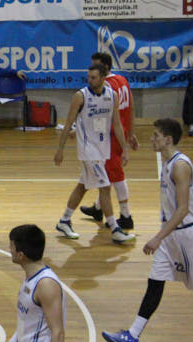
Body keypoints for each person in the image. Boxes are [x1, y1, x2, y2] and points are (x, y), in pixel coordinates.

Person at [102, 119, 193, 342]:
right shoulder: (167, 162)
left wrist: (158, 237)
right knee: (155, 282)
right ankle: (132, 335)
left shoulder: (180, 166)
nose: (151, 139)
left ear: (168, 140)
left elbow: (183, 209)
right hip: (171, 235)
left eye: (156, 135)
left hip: (186, 235)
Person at [54, 61, 134, 244]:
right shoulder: (80, 96)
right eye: (88, 77)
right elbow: (68, 124)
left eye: (94, 77)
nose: (90, 80)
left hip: (103, 149)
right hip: (87, 150)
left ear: (104, 78)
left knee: (83, 186)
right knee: (105, 187)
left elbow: (117, 124)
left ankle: (64, 220)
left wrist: (125, 148)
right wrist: (60, 150)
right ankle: (115, 229)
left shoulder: (112, 95)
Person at [79, 52, 140, 230]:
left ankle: (126, 216)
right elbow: (131, 108)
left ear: (105, 68)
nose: (93, 70)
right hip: (121, 132)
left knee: (116, 175)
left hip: (112, 135)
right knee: (107, 174)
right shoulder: (122, 80)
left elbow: (99, 116)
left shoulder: (106, 87)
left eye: (96, 66)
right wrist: (131, 132)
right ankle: (98, 208)